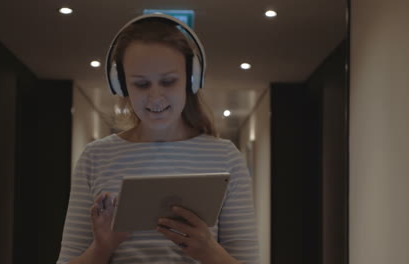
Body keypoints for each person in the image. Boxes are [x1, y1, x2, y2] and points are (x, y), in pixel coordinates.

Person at [56, 13, 259, 264]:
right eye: (141, 84)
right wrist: (102, 248)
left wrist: (208, 250)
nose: (155, 97)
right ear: (121, 85)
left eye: (168, 81)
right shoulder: (95, 157)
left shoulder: (226, 157)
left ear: (191, 79)